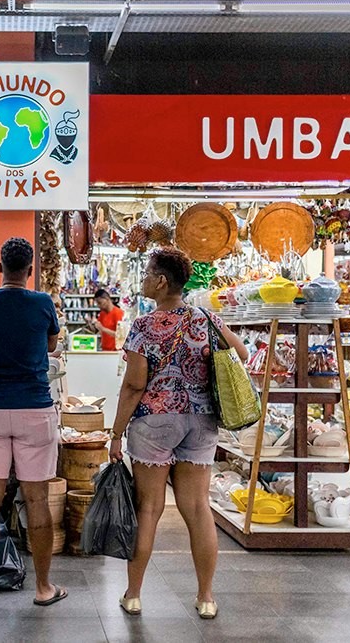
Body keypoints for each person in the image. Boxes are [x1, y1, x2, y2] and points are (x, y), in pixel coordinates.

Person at [108, 246, 249, 621]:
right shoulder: (206, 318)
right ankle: (206, 597)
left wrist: (115, 434)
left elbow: (134, 385)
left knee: (149, 509)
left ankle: (133, 595)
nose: (143, 280)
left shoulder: (144, 325)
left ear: (161, 281)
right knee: (198, 508)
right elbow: (242, 353)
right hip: (201, 421)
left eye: (146, 273)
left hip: (154, 422)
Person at [0, 236, 65, 610]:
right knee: (36, 500)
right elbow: (51, 346)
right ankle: (43, 588)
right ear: (30, 270)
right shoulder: (43, 303)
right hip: (34, 408)